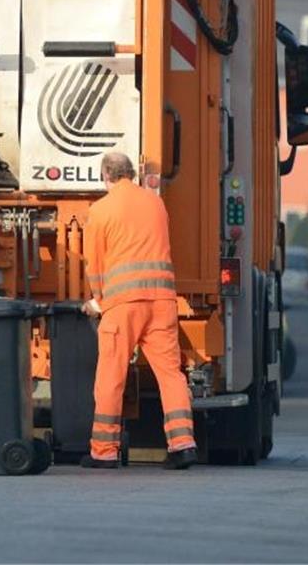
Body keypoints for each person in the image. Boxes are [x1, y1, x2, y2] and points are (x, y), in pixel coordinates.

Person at [79, 152, 197, 470]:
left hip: (123, 306)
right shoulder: (155, 203)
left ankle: (104, 451)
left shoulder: (100, 210)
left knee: (111, 376)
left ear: (106, 175)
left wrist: (97, 301)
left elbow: (95, 264)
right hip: (161, 302)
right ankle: (183, 444)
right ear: (130, 173)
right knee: (171, 375)